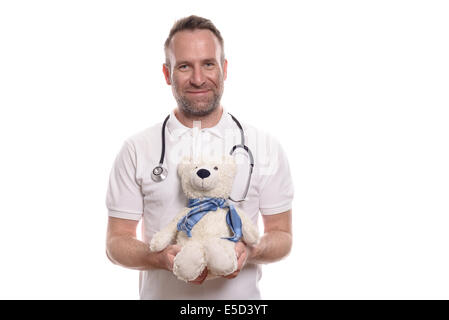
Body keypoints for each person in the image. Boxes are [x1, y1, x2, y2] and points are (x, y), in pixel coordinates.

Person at [105, 15, 294, 300]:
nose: (197, 78)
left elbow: (282, 234)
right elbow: (116, 242)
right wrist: (160, 259)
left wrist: (253, 250)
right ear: (167, 73)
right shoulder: (137, 149)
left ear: (224, 68)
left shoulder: (263, 146)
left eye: (208, 64)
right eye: (184, 66)